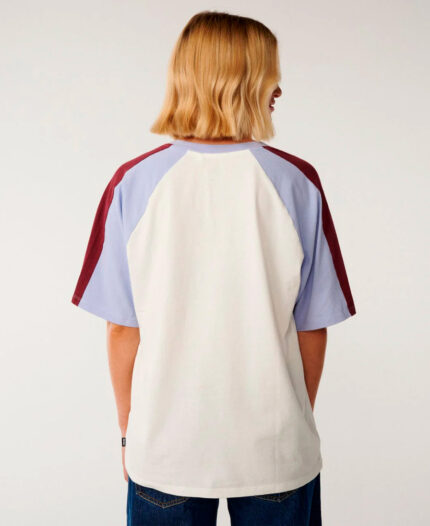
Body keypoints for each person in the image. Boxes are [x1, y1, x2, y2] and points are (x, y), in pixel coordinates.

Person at [71, 10, 356, 526]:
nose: (279, 89)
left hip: (165, 451)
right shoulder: (297, 182)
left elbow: (121, 328)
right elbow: (312, 328)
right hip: (275, 451)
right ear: (242, 82)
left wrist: (130, 434)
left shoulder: (133, 183)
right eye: (270, 74)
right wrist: (291, 422)